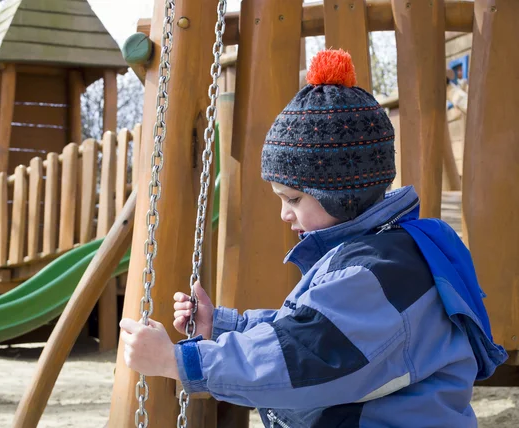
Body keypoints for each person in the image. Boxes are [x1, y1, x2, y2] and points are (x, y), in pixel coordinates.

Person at [119, 49, 507, 427]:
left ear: (341, 193)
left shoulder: (382, 272)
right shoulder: (378, 255)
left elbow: (306, 356)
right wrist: (222, 328)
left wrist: (178, 362)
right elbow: (310, 327)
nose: (285, 214)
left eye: (294, 198)